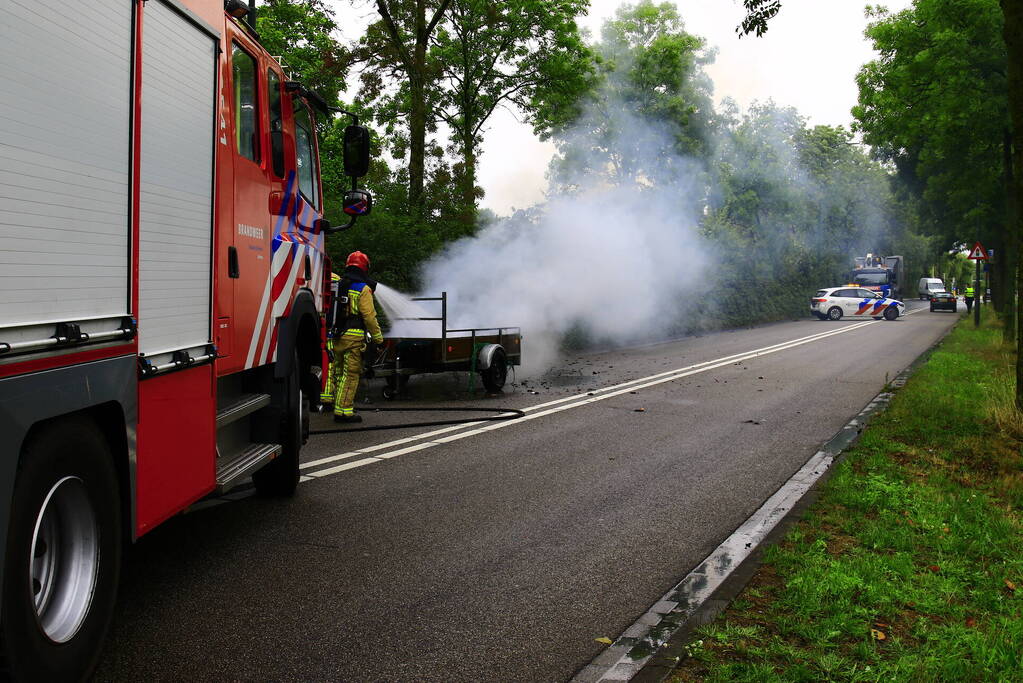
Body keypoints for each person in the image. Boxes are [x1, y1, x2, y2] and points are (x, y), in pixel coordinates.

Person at [326, 251, 384, 423]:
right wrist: (378, 338)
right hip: (353, 338)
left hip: (335, 336)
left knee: (337, 372)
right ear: (365, 267)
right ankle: (344, 411)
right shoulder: (362, 289)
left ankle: (338, 405)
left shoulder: (338, 284)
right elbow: (369, 317)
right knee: (351, 374)